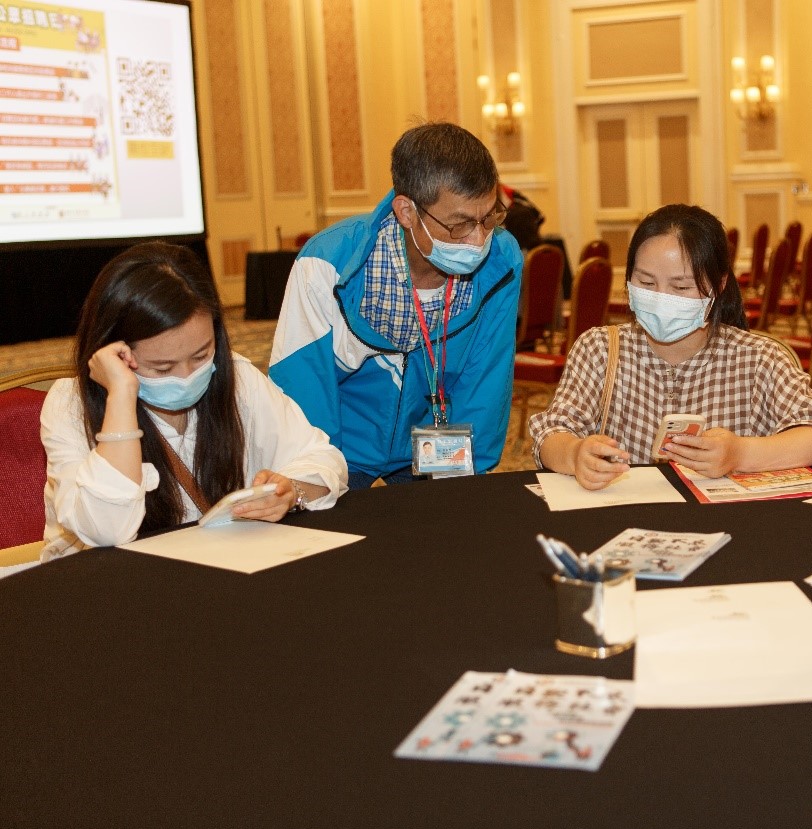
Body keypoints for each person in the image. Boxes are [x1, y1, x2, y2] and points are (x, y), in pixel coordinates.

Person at [41, 243, 349, 561]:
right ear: (113, 350)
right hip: (111, 578)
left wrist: (291, 491)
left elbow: (324, 459)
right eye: (162, 368)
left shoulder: (237, 377)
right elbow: (106, 529)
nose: (186, 377)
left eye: (201, 355)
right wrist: (120, 394)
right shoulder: (70, 405)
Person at [530, 204, 812, 491]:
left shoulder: (758, 358)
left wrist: (740, 453)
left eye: (681, 286)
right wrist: (574, 454)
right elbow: (551, 432)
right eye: (646, 282)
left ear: (720, 284)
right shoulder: (600, 349)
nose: (661, 298)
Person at [269, 122, 523, 488]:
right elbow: (305, 384)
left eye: (489, 218)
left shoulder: (501, 260)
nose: (478, 240)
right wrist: (317, 476)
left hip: (436, 445)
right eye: (460, 225)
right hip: (341, 449)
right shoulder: (328, 263)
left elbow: (486, 381)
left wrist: (463, 487)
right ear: (406, 212)